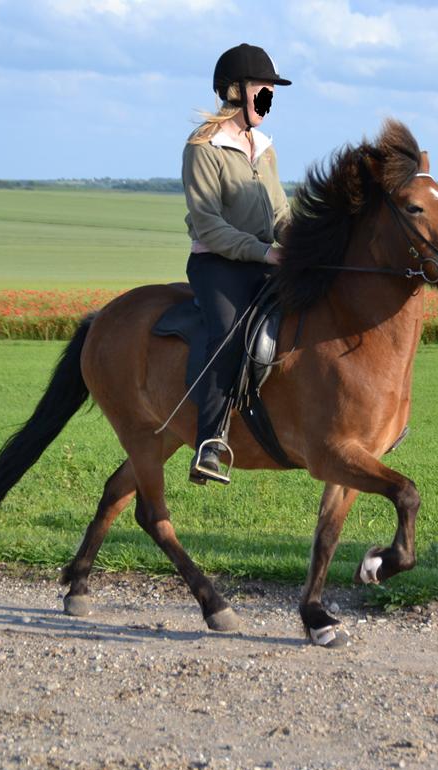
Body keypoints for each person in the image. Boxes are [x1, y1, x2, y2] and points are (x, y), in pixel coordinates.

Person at [181, 43, 292, 485]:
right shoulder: (203, 147)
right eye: (262, 90)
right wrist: (263, 252)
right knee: (228, 336)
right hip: (218, 265)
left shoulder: (264, 148)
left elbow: (280, 213)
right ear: (233, 90)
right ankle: (210, 443)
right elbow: (209, 226)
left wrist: (305, 245)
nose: (268, 99)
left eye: (271, 93)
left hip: (265, 260)